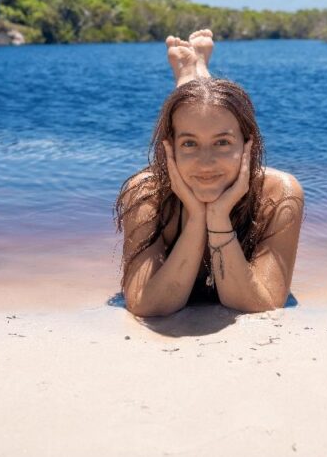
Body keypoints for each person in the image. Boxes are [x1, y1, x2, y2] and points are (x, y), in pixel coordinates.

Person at [115, 30, 303, 316]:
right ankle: (192, 71)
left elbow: (261, 303)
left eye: (223, 142)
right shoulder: (145, 192)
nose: (206, 163)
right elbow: (146, 305)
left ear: (248, 145)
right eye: (188, 143)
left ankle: (194, 71)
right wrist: (195, 216)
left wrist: (218, 217)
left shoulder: (280, 193)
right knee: (200, 106)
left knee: (203, 107)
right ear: (170, 149)